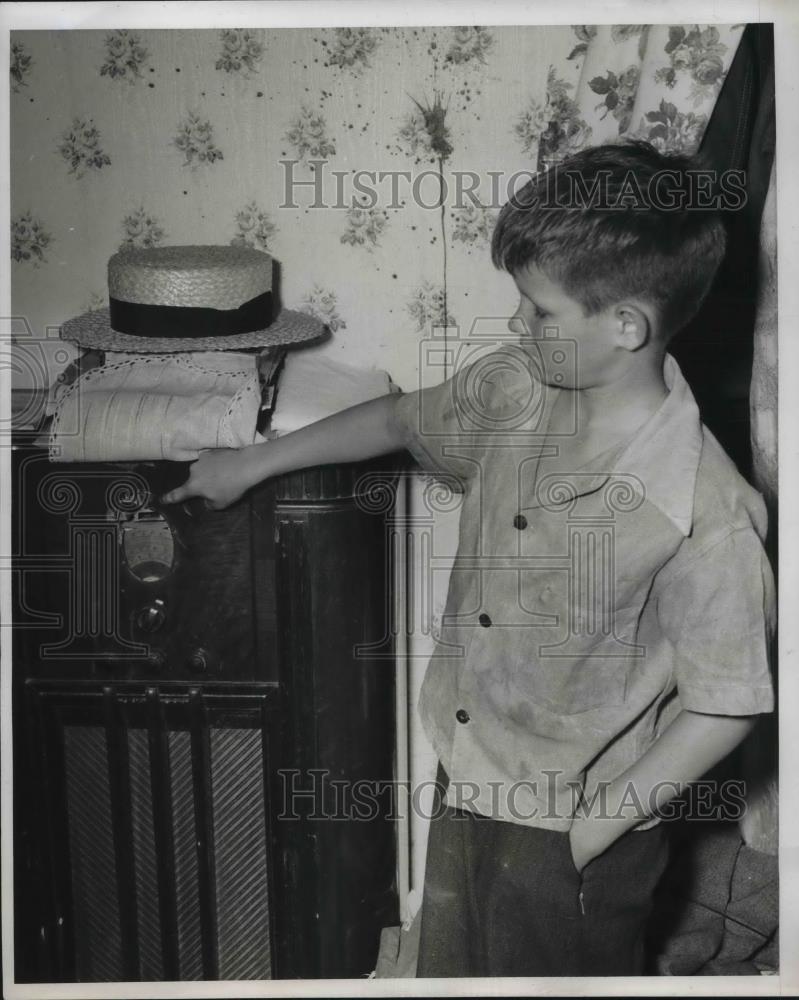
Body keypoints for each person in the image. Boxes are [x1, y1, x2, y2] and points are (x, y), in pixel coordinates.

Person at [161, 140, 775, 977]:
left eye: (540, 310)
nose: (519, 325)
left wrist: (590, 829)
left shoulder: (704, 510)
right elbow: (397, 419)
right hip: (467, 769)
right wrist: (248, 464)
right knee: (451, 966)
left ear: (626, 325)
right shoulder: (513, 389)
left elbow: (726, 705)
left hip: (572, 827)